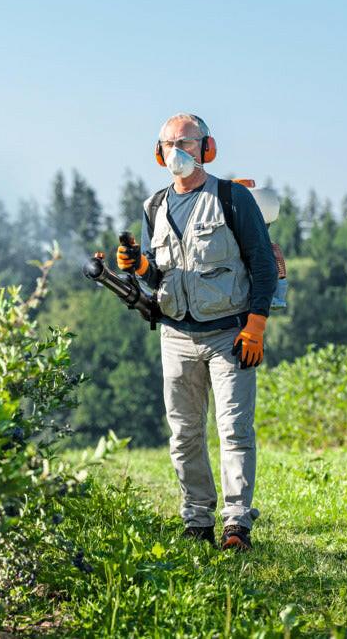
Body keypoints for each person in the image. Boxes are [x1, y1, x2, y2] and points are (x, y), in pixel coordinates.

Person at [116, 113, 277, 551]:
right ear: (158, 152)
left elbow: (262, 264)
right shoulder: (155, 206)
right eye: (169, 144)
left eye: (186, 143)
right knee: (185, 432)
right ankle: (196, 520)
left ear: (206, 148)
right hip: (176, 337)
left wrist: (256, 324)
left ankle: (236, 524)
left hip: (230, 333)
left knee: (234, 429)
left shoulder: (231, 199)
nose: (177, 152)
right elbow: (161, 275)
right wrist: (140, 266)